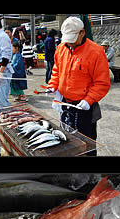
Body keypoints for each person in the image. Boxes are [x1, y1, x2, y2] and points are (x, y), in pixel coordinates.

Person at [47, 16, 110, 157]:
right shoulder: (61, 48)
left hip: (85, 106)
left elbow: (102, 83)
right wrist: (53, 86)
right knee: (67, 140)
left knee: (87, 144)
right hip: (65, 103)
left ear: (82, 32)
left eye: (73, 39)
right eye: (67, 40)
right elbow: (57, 70)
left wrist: (88, 100)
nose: (70, 44)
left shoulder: (96, 52)